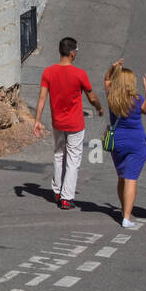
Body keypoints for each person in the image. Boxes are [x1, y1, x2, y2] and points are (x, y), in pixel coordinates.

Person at [33, 37, 104, 209]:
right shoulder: (80, 74)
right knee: (73, 159)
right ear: (72, 53)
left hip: (57, 121)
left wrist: (37, 120)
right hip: (75, 124)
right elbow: (92, 96)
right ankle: (66, 197)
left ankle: (57, 190)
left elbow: (42, 97)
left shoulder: (48, 72)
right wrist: (99, 107)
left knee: (58, 154)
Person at [103, 60, 146, 228]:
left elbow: (106, 79)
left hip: (117, 142)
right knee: (131, 179)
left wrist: (113, 66)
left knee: (121, 177)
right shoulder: (137, 99)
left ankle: (124, 208)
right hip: (136, 142)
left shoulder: (112, 96)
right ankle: (126, 217)